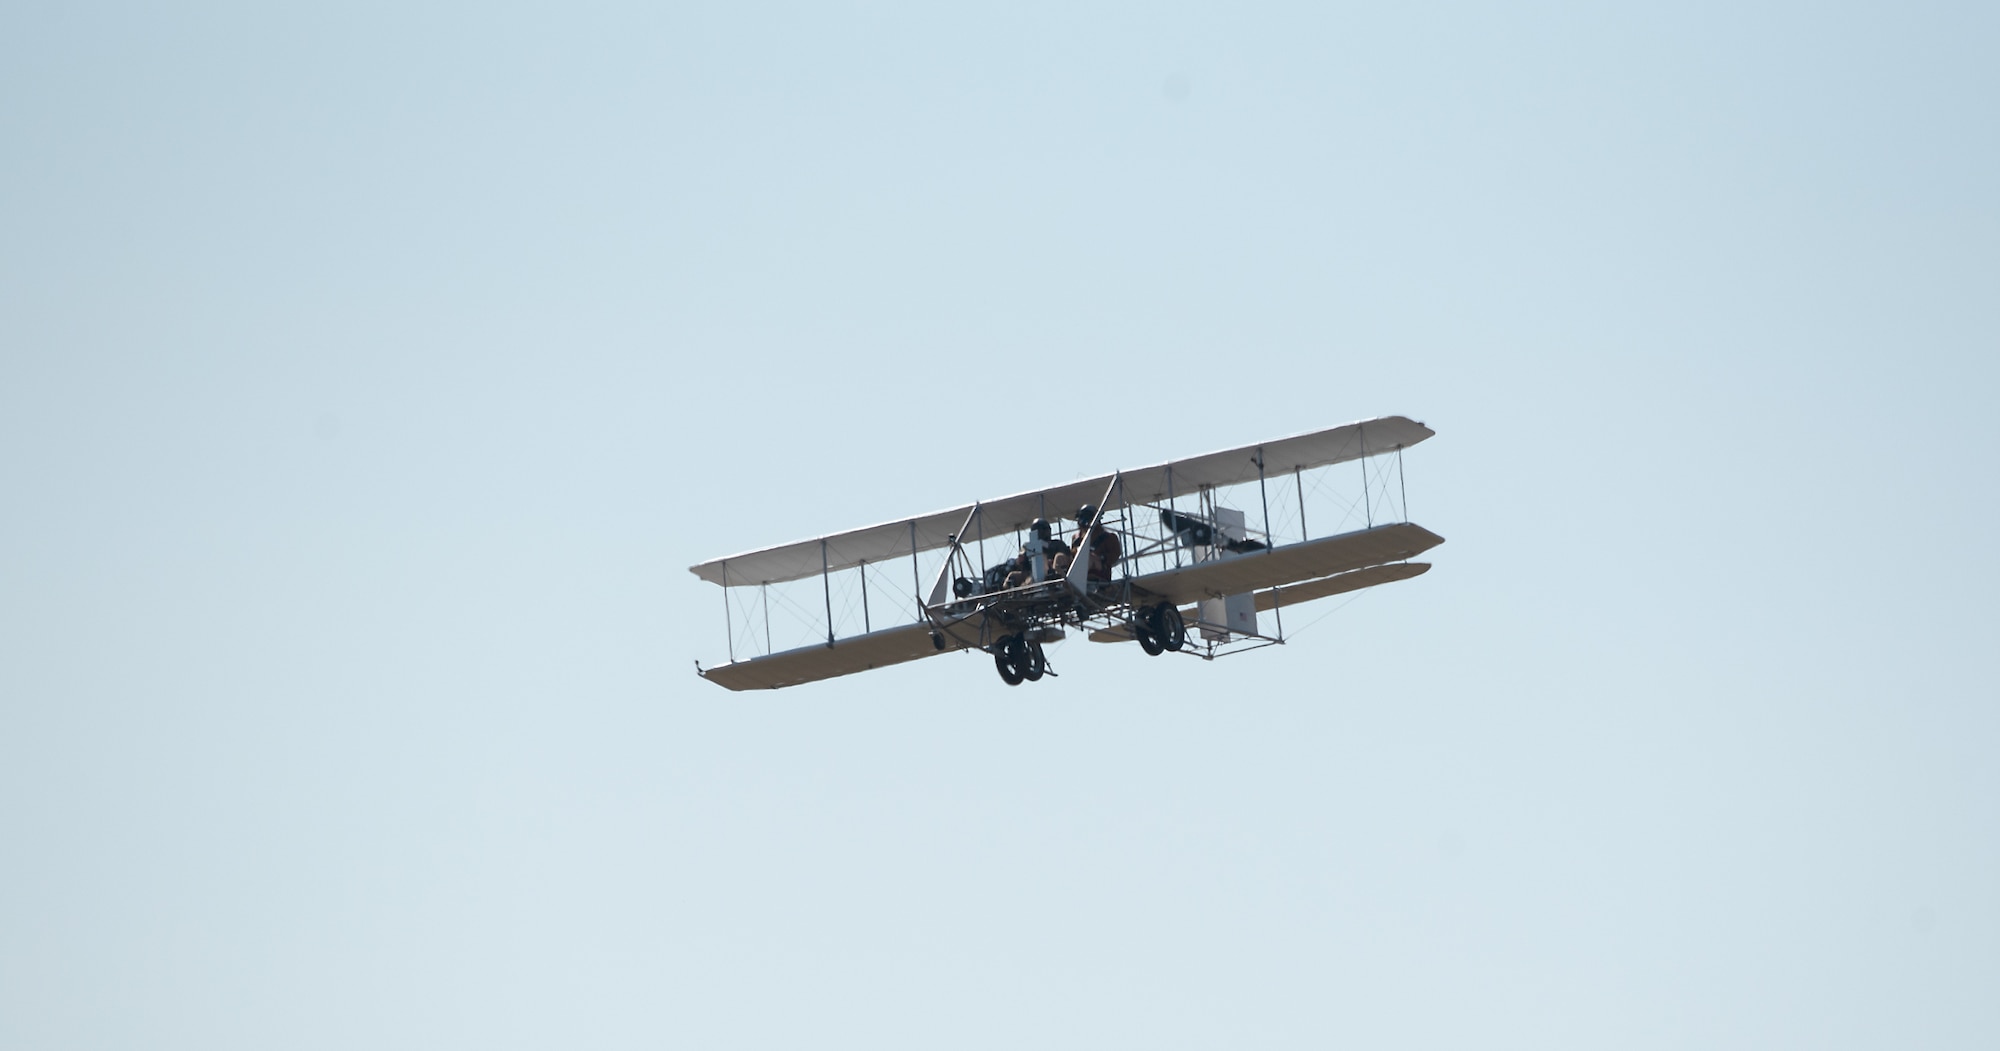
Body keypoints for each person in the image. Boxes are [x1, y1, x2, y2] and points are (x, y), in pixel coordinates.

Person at [1060, 503, 1121, 584]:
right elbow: (1073, 554)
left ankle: (1076, 577)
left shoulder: (1109, 537)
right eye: (1081, 517)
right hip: (1077, 565)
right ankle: (1060, 578)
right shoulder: (1075, 538)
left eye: (1087, 517)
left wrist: (1101, 558)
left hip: (1099, 567)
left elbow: (1115, 554)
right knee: (1059, 556)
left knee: (1088, 557)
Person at [1003, 518, 1070, 588]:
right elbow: (1024, 569)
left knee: (1058, 557)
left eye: (1046, 529)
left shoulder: (1058, 544)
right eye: (1043, 529)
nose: (1046, 532)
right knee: (1012, 576)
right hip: (1032, 576)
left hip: (1053, 573)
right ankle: (1009, 593)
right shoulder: (1028, 548)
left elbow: (1065, 559)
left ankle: (1059, 583)